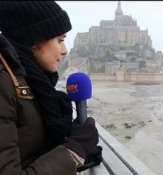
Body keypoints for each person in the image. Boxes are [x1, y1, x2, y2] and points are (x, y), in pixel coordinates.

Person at [0, 1, 102, 174]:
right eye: (60, 40)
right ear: (34, 41)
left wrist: (76, 151)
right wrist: (72, 152)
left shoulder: (31, 82)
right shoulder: (4, 84)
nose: (65, 50)